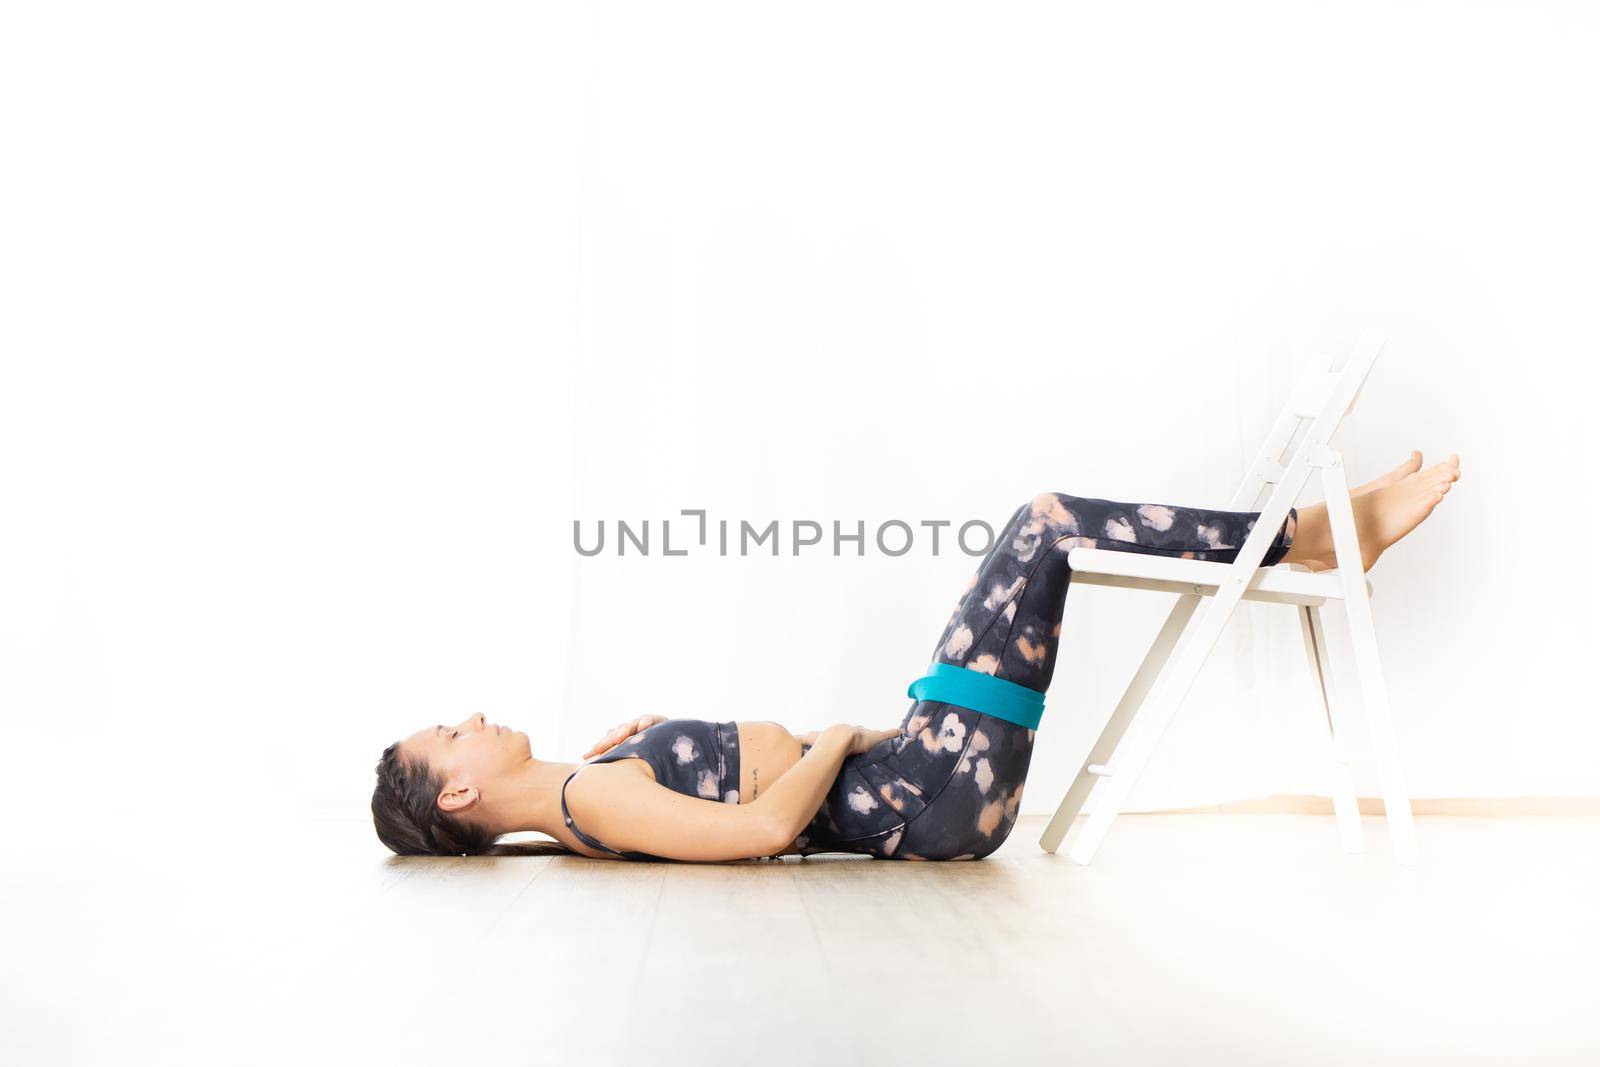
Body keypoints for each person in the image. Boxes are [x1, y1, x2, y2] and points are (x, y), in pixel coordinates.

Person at [371, 451, 1461, 862]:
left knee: (1041, 523)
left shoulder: (578, 793)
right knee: (1043, 519)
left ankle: (1309, 531)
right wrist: (841, 733)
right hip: (923, 790)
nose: (470, 711)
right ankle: (1310, 534)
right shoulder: (590, 802)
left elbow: (674, 803)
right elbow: (756, 829)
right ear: (459, 783)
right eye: (451, 729)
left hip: (919, 778)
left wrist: (628, 750)